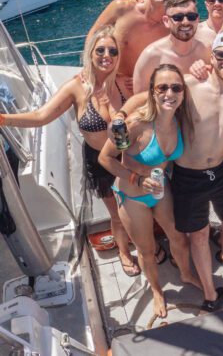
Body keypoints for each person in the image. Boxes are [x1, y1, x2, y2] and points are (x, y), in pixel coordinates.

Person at [0, 26, 137, 276]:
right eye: (101, 50)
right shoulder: (77, 87)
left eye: (113, 51)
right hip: (100, 162)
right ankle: (124, 252)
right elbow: (42, 116)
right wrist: (4, 119)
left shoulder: (122, 83)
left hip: (129, 157)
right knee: (117, 214)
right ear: (91, 52)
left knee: (137, 207)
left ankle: (146, 245)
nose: (107, 55)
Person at [99, 64, 202, 318]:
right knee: (146, 250)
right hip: (132, 197)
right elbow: (105, 159)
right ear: (152, 92)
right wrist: (137, 176)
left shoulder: (179, 119)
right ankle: (157, 290)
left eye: (176, 88)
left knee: (179, 238)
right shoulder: (136, 125)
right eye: (162, 87)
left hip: (160, 190)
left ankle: (186, 274)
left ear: (183, 93)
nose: (170, 93)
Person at [172, 32, 223, 310]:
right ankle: (209, 293)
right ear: (212, 56)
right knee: (199, 234)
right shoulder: (188, 83)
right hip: (188, 174)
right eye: (221, 55)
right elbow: (152, 100)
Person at [86, 0, 183, 83]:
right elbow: (93, 36)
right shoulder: (121, 7)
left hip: (147, 87)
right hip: (111, 82)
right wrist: (89, 69)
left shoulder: (176, 22)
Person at [132, 0, 210, 93]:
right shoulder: (152, 55)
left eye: (191, 17)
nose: (185, 22)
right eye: (178, 17)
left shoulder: (206, 50)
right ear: (166, 21)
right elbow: (139, 99)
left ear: (197, 19)